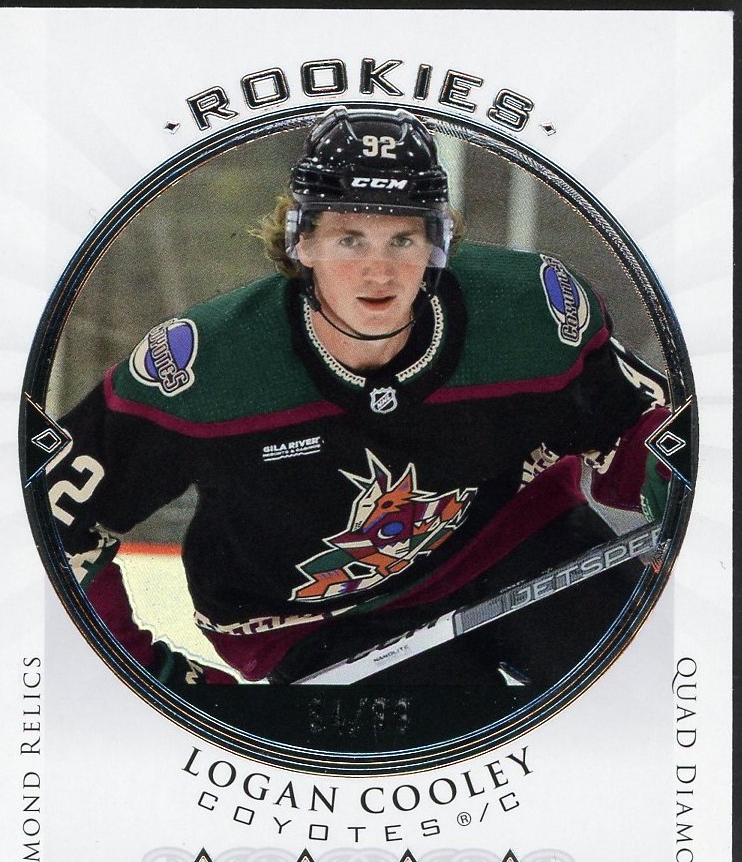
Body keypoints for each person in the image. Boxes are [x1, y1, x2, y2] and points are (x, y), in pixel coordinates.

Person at [44, 105, 670, 690]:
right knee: (447, 745)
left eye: (403, 239)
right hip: (313, 619)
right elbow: (53, 521)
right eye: (350, 239)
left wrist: (678, 483)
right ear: (302, 242)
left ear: (437, 244)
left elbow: (642, 427)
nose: (379, 271)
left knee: (647, 691)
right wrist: (151, 676)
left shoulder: (529, 312)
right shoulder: (202, 370)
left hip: (515, 542)